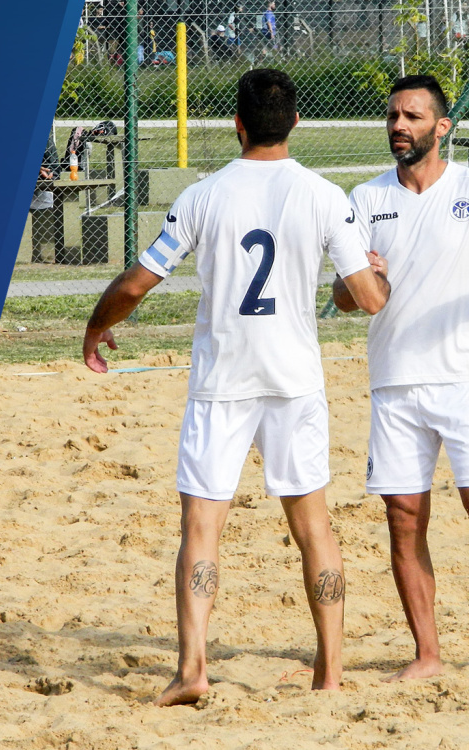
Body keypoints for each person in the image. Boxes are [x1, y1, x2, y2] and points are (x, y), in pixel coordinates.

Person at [83, 69, 391, 706]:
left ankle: (193, 668)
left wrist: (95, 326)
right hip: (293, 379)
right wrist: (378, 278)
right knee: (315, 529)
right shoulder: (324, 194)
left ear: (237, 124)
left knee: (201, 530)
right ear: (297, 122)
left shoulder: (204, 194)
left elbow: (138, 283)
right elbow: (366, 299)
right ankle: (329, 674)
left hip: (223, 380)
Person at [332, 74, 469, 682]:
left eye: (412, 117)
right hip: (394, 383)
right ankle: (429, 655)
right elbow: (344, 298)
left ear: (442, 127)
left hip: (463, 378)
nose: (398, 126)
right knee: (404, 518)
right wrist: (357, 278)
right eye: (392, 116)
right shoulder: (363, 199)